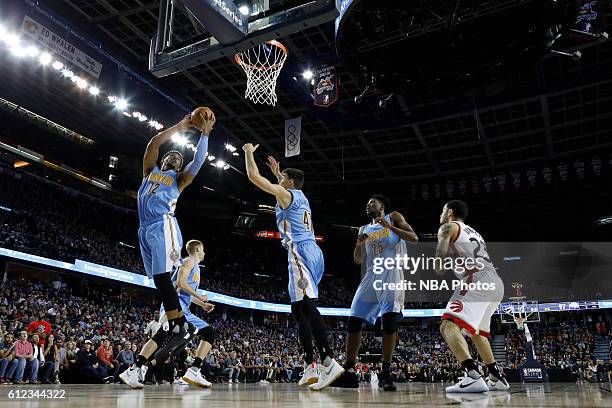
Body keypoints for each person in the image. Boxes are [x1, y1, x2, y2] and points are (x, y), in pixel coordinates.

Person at [121, 110, 215, 389]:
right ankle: (174, 324)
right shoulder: (149, 173)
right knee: (159, 279)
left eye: (178, 158)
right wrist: (180, 126)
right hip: (144, 228)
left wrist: (204, 134)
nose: (174, 157)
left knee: (165, 275)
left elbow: (197, 161)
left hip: (163, 224)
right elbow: (153, 145)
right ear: (163, 161)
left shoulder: (179, 180)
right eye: (170, 157)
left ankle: (175, 324)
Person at [242, 147, 343, 390]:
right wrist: (279, 173)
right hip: (308, 251)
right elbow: (283, 185)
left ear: (291, 182)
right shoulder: (300, 196)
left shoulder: (288, 196)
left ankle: (328, 362)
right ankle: (310, 366)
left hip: (300, 251)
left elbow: (254, 178)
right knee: (298, 309)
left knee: (306, 306)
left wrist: (247, 152)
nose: (280, 181)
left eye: (283, 179)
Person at [333, 195, 418, 391]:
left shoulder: (394, 216)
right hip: (371, 275)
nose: (368, 205)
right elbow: (357, 260)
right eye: (367, 203)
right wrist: (358, 244)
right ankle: (350, 371)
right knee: (354, 320)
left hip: (391, 271)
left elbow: (413, 238)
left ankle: (385, 372)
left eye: (372, 202)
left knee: (389, 321)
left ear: (383, 206)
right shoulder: (363, 229)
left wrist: (389, 227)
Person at [434, 200, 508, 393]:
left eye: (442, 211)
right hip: (496, 283)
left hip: (476, 279)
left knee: (448, 324)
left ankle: (473, 375)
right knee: (477, 333)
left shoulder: (447, 227)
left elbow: (440, 257)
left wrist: (438, 265)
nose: (440, 215)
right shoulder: (474, 232)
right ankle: (495, 376)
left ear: (449, 212)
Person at [152, 240, 216, 388]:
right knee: (209, 333)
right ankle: (193, 370)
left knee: (186, 337)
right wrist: (201, 297)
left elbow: (185, 291)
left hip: (182, 306)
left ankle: (144, 366)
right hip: (177, 307)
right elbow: (181, 284)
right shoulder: (189, 261)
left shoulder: (192, 265)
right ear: (198, 249)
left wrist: (202, 305)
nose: (205, 253)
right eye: (204, 250)